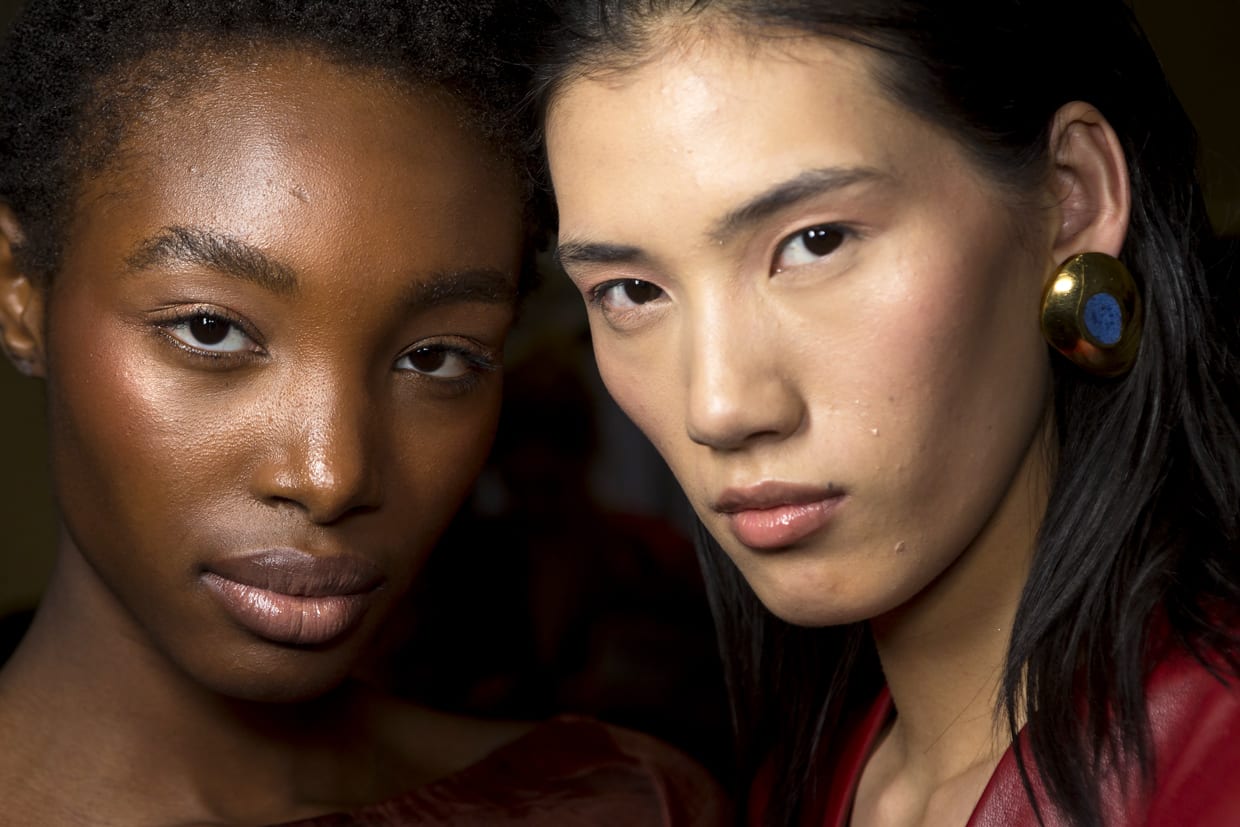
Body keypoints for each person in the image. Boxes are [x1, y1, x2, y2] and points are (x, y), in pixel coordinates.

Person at [0, 1, 729, 824]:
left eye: (434, 357)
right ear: (18, 291)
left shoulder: (627, 802)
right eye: (211, 330)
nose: (331, 476)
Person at [537, 1, 1240, 824]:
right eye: (631, 291)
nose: (720, 407)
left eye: (818, 241)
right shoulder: (800, 780)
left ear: (1071, 199)